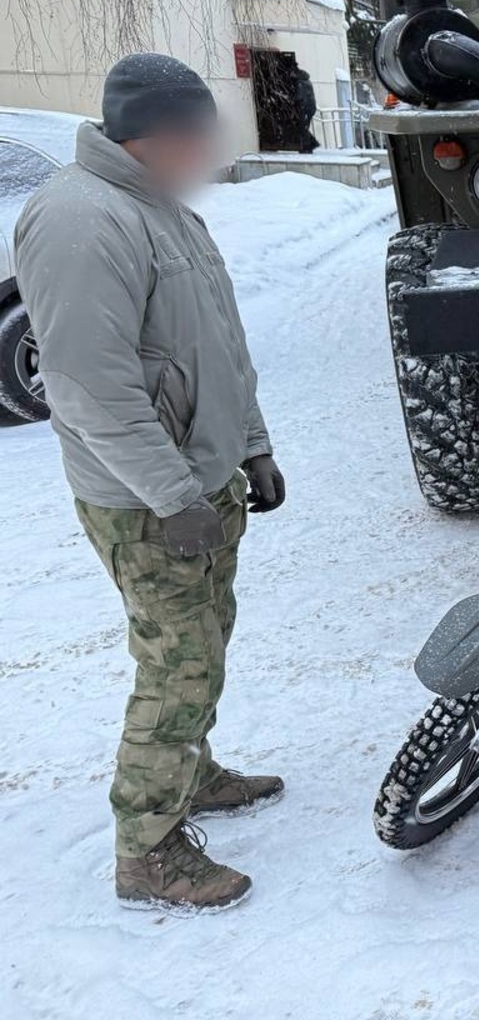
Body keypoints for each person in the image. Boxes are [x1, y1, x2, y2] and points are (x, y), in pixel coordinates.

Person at [14, 54, 286, 911]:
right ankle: (148, 848)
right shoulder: (79, 220)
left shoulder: (161, 207)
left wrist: (252, 446)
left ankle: (190, 773)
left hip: (200, 483)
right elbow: (90, 388)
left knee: (208, 641)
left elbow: (217, 344)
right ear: (156, 134)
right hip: (146, 499)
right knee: (178, 664)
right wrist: (172, 495)